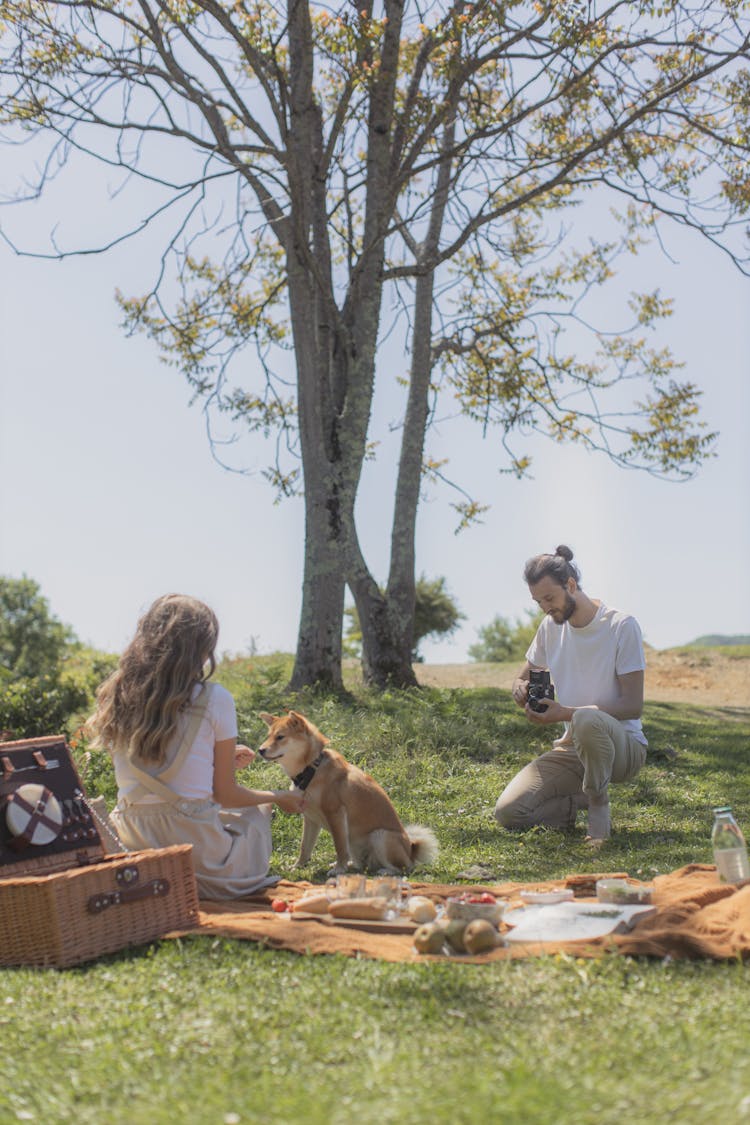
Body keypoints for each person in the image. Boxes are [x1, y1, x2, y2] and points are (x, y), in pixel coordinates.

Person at [87, 594, 304, 898]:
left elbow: (158, 775)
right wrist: (280, 796)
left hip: (132, 852)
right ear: (202, 647)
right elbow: (225, 795)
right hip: (200, 867)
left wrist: (216, 763)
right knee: (257, 810)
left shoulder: (117, 696)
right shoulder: (215, 699)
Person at [494, 546, 648, 843]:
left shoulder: (621, 626)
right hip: (574, 749)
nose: (545, 608)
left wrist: (564, 712)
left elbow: (632, 706)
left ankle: (597, 804)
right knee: (509, 812)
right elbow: (522, 675)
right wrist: (519, 688)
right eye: (538, 601)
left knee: (587, 719)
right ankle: (577, 801)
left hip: (622, 748)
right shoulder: (550, 627)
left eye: (549, 598)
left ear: (571, 585)